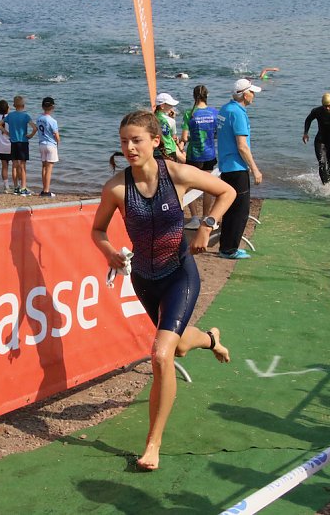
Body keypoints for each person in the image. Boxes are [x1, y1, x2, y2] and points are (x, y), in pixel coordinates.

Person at [91, 110, 235, 471]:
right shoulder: (115, 188)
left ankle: (152, 444)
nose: (129, 147)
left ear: (156, 141)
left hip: (179, 273)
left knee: (160, 354)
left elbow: (227, 191)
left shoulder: (177, 174)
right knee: (180, 345)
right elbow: (98, 231)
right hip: (143, 278)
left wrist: (207, 225)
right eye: (124, 140)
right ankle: (211, 339)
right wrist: (109, 252)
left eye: (137, 139)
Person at [216, 78, 263, 260]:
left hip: (227, 166)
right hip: (237, 167)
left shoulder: (225, 109)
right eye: (252, 93)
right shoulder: (238, 113)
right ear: (245, 94)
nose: (254, 96)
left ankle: (226, 246)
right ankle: (229, 249)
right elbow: (242, 146)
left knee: (230, 207)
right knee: (240, 210)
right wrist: (255, 169)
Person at [181, 85, 220, 229]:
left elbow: (184, 137)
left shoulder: (189, 113)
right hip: (209, 154)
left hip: (194, 155)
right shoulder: (215, 113)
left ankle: (194, 218)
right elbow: (217, 134)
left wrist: (192, 138)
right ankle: (206, 217)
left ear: (194, 96)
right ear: (207, 95)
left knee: (190, 186)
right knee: (208, 187)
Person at [0, 95, 37, 196]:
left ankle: (16, 187)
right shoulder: (26, 116)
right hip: (23, 142)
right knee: (23, 165)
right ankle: (23, 187)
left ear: (14, 105)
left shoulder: (10, 115)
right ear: (23, 106)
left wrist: (6, 132)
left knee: (15, 165)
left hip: (13, 142)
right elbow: (34, 128)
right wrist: (30, 136)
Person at [35, 97, 60, 197]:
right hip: (50, 145)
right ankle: (46, 190)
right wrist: (58, 142)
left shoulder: (39, 119)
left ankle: (43, 189)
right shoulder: (53, 121)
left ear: (42, 106)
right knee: (49, 168)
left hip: (42, 144)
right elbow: (56, 136)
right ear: (53, 107)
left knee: (44, 167)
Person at [154, 93, 186, 162]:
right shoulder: (170, 121)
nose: (172, 107)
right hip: (169, 151)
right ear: (162, 106)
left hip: (155, 151)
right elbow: (174, 137)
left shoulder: (151, 118)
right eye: (170, 105)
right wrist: (173, 118)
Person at [0, 99, 15, 193]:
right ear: (8, 108)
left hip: (1, 147)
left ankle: (6, 186)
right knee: (15, 166)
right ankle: (16, 185)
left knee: (4, 166)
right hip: (11, 146)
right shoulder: (11, 117)